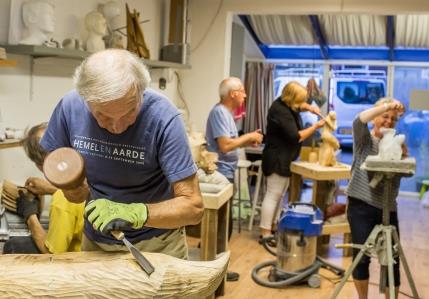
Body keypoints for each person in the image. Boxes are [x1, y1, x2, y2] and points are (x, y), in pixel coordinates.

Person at [40, 49, 203, 260]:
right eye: (103, 116)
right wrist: (71, 188)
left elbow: (194, 206)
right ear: (85, 100)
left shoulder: (164, 118)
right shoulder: (70, 107)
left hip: (157, 246)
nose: (117, 127)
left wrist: (136, 213)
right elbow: (54, 162)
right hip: (95, 244)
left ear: (140, 94)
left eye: (129, 113)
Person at [346, 97, 406, 299]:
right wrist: (388, 105)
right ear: (375, 116)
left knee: (392, 260)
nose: (389, 122)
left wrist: (402, 156)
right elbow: (358, 120)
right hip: (361, 206)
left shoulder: (397, 146)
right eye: (385, 117)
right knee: (361, 258)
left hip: (387, 208)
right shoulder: (365, 140)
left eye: (393, 120)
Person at [205, 76, 263, 281]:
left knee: (222, 223)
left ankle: (211, 263)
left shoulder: (226, 113)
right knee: (222, 224)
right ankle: (215, 270)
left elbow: (230, 143)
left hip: (226, 173)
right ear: (232, 94)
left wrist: (247, 140)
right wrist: (248, 138)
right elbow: (225, 146)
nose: (245, 95)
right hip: (221, 174)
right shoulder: (220, 112)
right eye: (242, 91)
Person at [3, 123, 84, 254]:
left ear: (40, 165)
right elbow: (79, 196)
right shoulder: (87, 172)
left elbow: (52, 254)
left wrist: (30, 215)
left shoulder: (62, 201)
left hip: (79, 261)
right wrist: (52, 188)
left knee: (13, 246)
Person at [259, 81, 325, 240]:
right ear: (291, 98)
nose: (302, 104)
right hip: (276, 158)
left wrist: (309, 107)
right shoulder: (280, 111)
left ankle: (273, 227)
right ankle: (265, 233)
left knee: (279, 195)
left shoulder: (286, 104)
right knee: (273, 195)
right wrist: (316, 127)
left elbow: (299, 106)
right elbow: (296, 136)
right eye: (300, 101)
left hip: (285, 157)